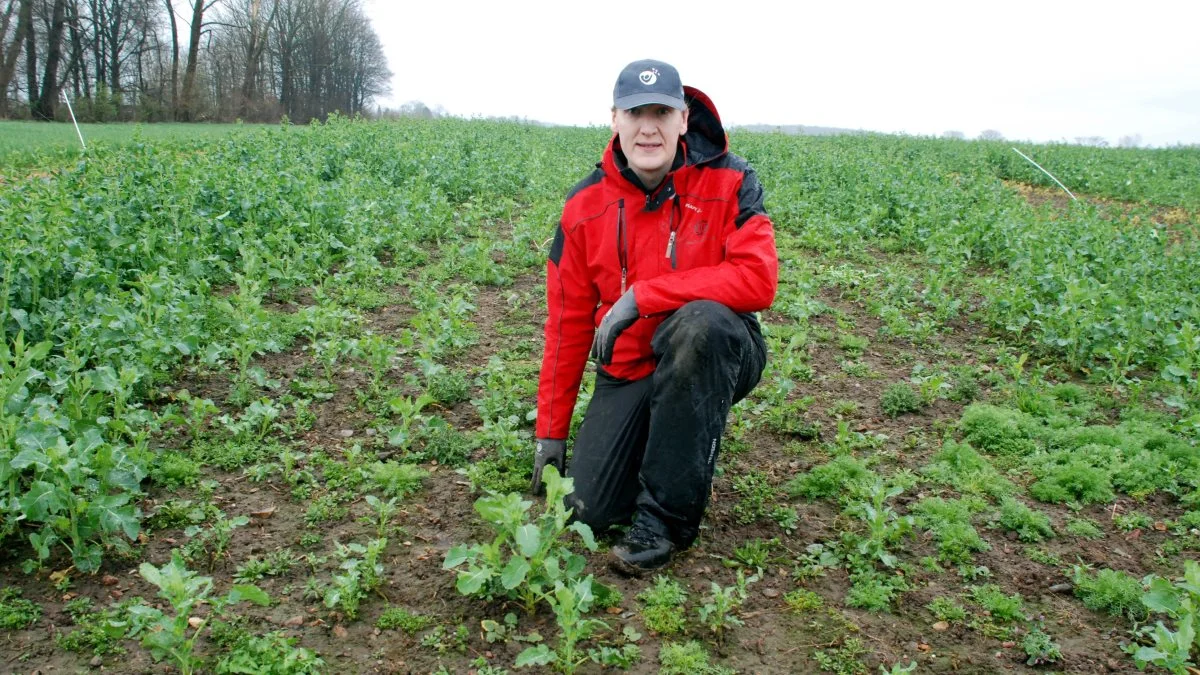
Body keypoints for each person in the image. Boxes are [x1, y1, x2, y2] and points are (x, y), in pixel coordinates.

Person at [530, 59, 778, 576]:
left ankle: (663, 522)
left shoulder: (732, 180)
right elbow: (568, 323)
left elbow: (758, 280)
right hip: (629, 368)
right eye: (635, 112)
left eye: (662, 112)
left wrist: (645, 296)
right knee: (587, 511)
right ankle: (672, 444)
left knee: (700, 325)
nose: (649, 127)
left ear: (684, 119)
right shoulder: (583, 206)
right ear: (614, 119)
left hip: (716, 349)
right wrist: (550, 434)